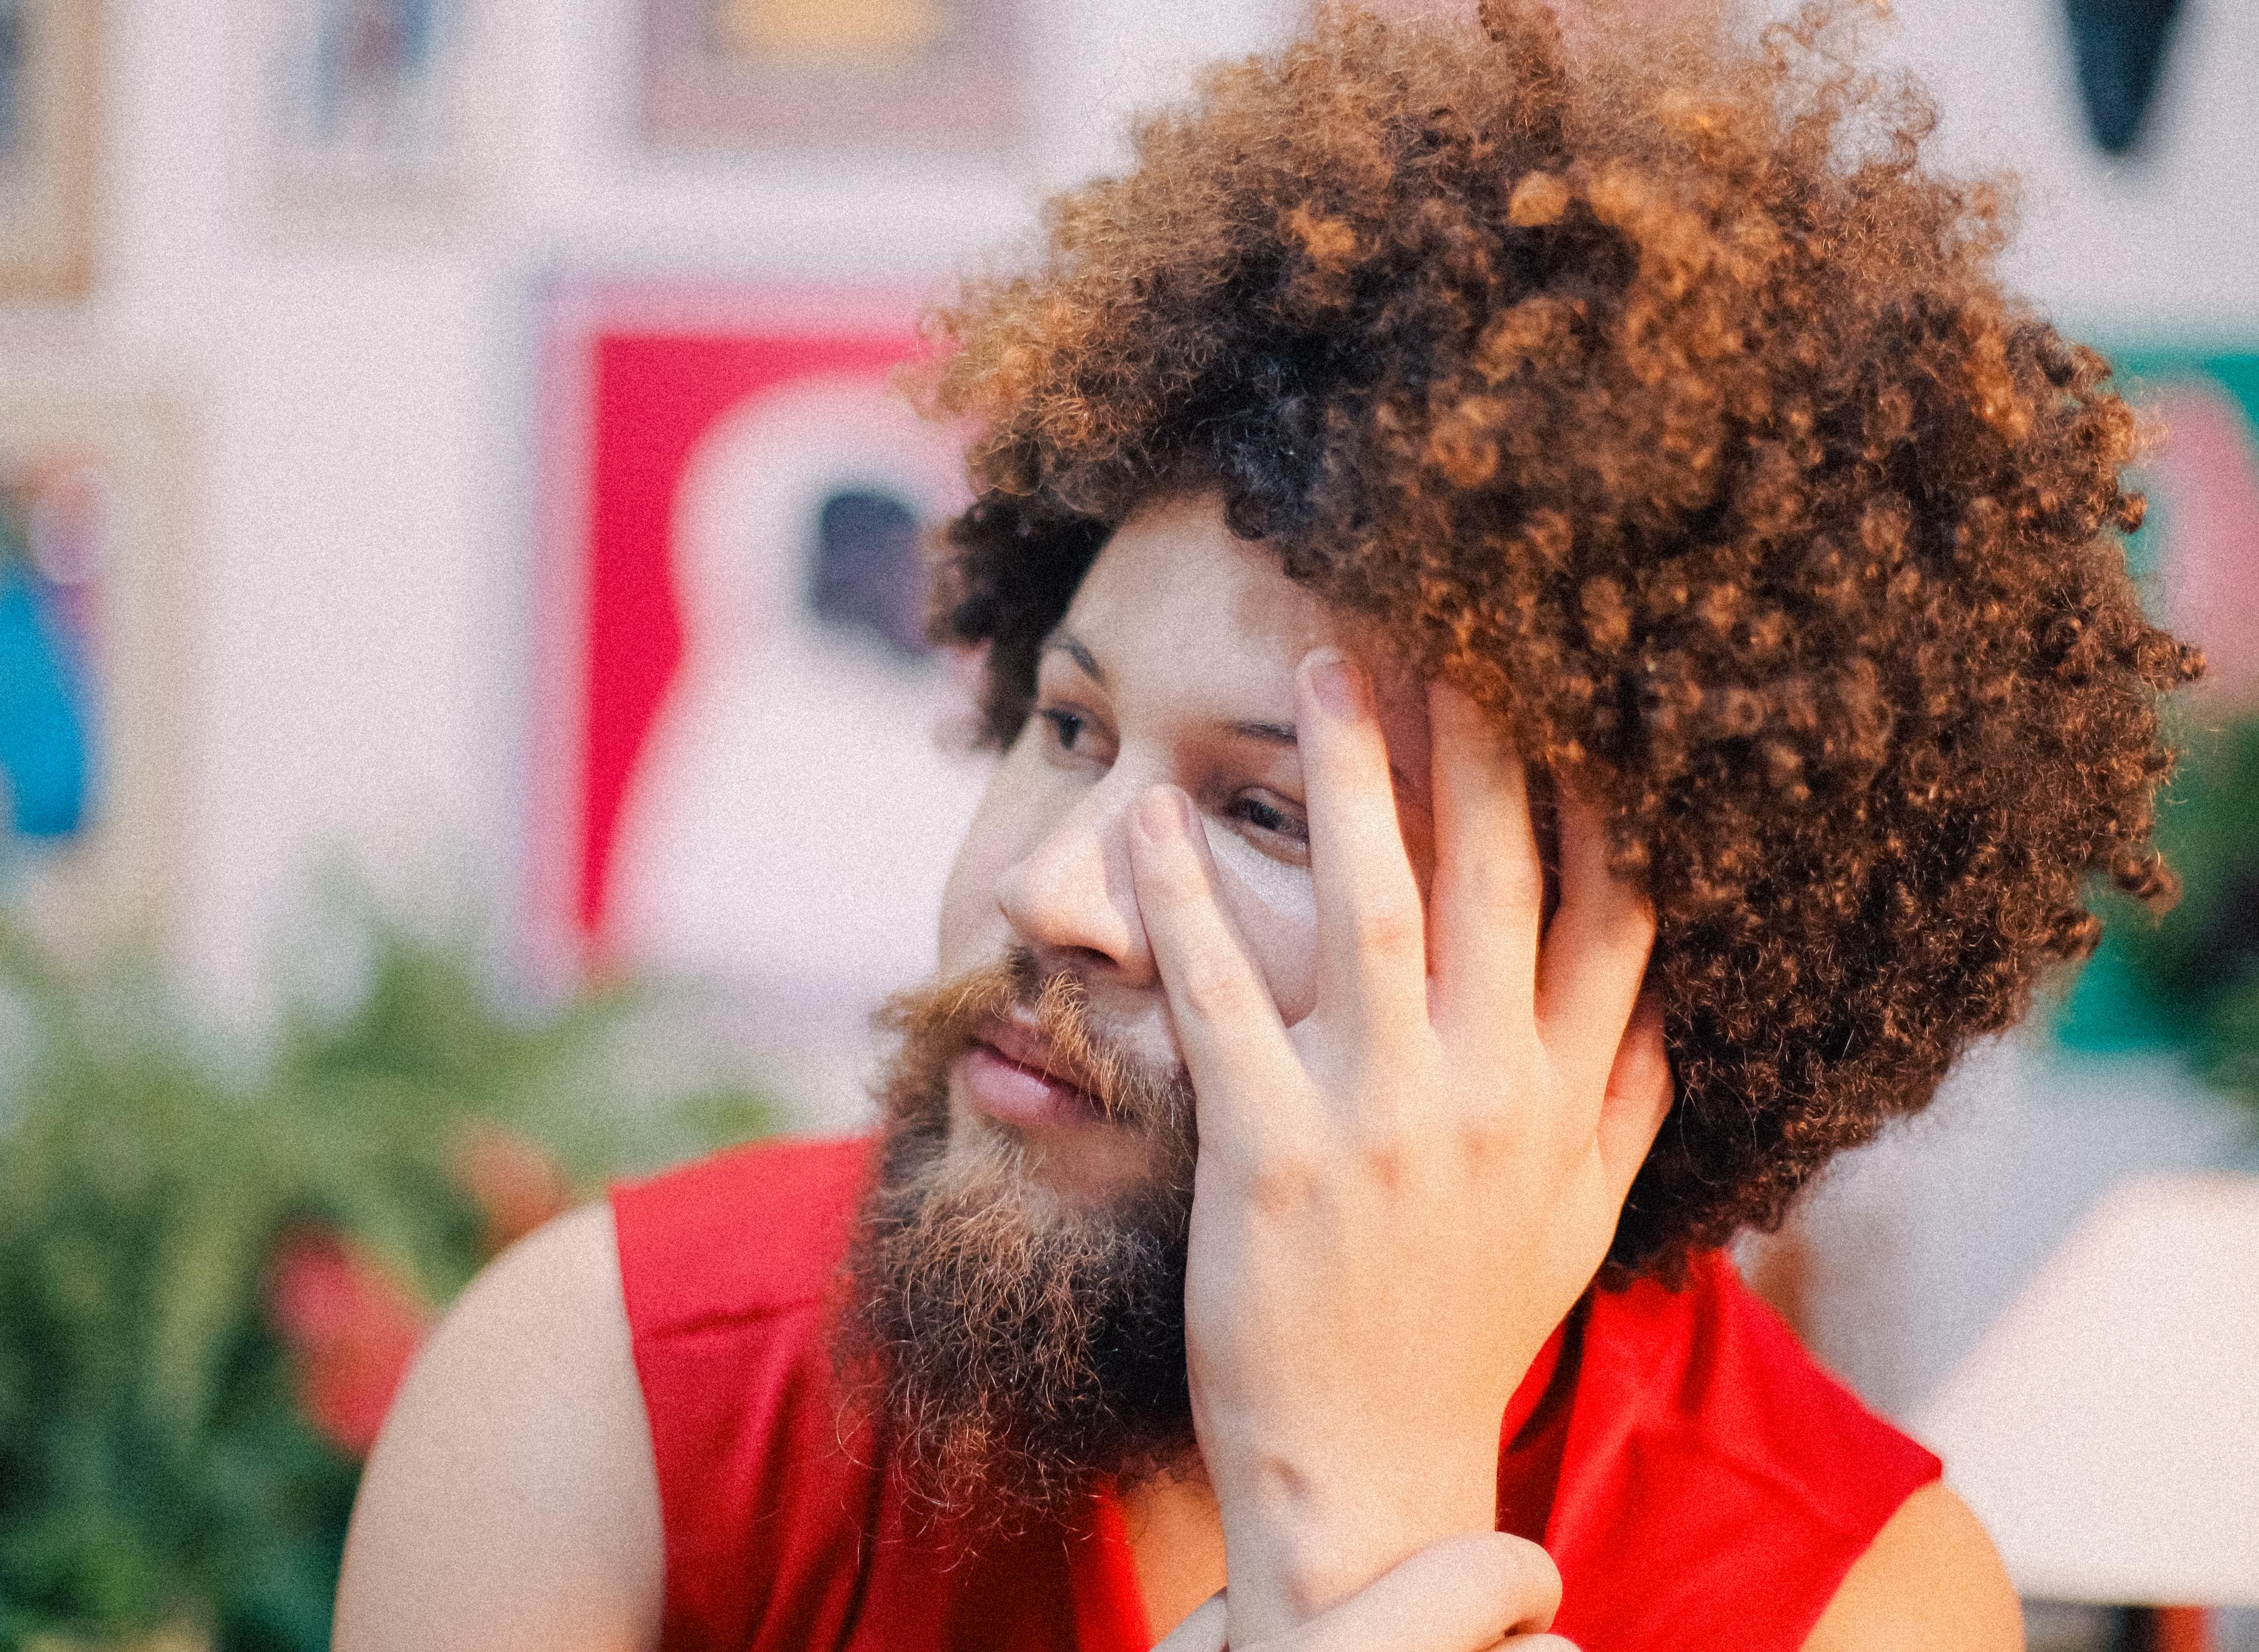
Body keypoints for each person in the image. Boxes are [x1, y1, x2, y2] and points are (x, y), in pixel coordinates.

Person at [332, 3, 2198, 1647]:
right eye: (1067, 726)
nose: (1055, 890)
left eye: (1267, 814)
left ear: (1625, 990)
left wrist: (1362, 1544)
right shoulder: (609, 1401)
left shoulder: (1843, 1599)